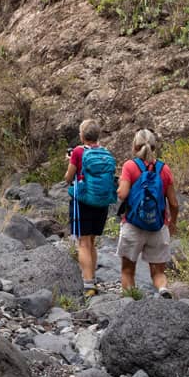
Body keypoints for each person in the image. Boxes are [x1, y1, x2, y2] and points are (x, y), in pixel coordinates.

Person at [116, 129, 179, 298]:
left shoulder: (130, 166)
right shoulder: (164, 169)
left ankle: (130, 301)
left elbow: (122, 194)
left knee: (128, 270)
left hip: (133, 224)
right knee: (158, 272)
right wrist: (172, 222)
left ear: (135, 146)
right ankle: (163, 289)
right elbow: (173, 202)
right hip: (158, 226)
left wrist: (120, 186)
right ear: (154, 146)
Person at [64, 119, 112, 294]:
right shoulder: (105, 152)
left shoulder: (78, 151)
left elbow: (68, 178)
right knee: (92, 242)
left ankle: (88, 282)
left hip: (83, 201)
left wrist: (70, 162)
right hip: (101, 202)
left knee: (83, 243)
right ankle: (93, 279)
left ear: (82, 136)